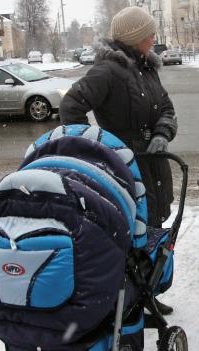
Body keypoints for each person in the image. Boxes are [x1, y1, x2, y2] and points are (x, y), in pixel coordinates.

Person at [59, 6, 177, 316]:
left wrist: (162, 132)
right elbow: (71, 106)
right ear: (134, 36)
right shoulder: (108, 71)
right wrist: (97, 149)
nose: (153, 37)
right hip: (124, 167)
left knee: (151, 230)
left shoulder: (147, 68)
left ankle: (145, 294)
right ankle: (123, 300)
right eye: (149, 33)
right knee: (128, 234)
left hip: (154, 163)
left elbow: (166, 106)